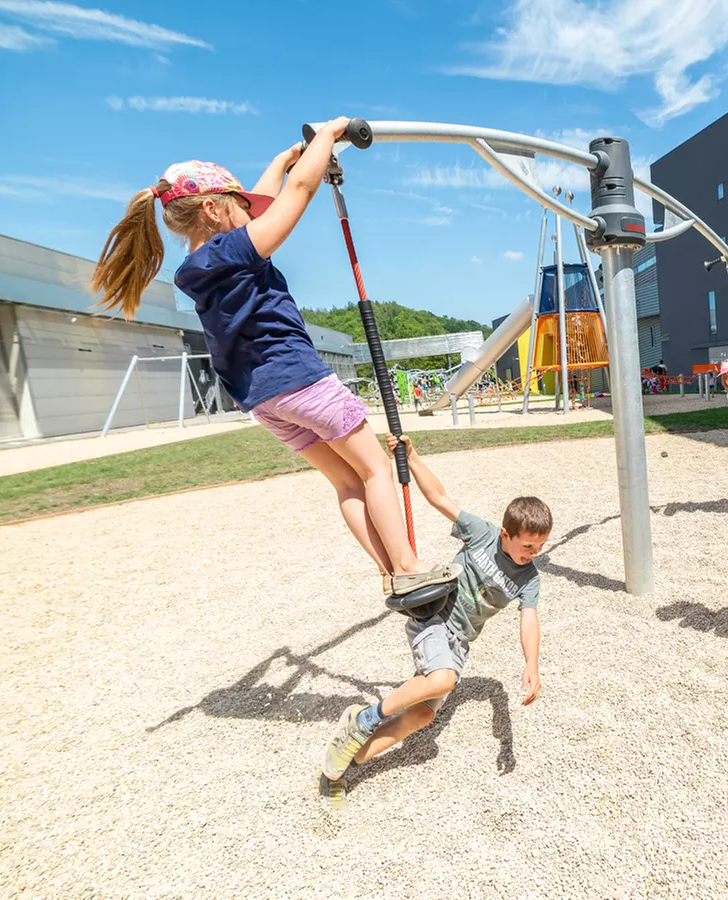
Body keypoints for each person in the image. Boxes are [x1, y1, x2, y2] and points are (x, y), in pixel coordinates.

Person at [90, 119, 457, 601]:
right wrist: (329, 135)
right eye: (237, 207)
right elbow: (298, 194)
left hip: (265, 402)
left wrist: (285, 158)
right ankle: (409, 564)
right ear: (211, 210)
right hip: (302, 381)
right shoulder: (235, 250)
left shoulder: (197, 266)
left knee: (346, 482)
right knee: (374, 470)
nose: (251, 212)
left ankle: (391, 574)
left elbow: (262, 200)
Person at [319, 433, 550, 805]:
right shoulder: (482, 534)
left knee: (422, 716)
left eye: (540, 547)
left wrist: (532, 665)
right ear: (506, 534)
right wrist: (411, 457)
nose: (532, 554)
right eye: (527, 546)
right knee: (441, 678)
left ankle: (349, 758)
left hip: (458, 642)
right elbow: (439, 498)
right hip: (434, 619)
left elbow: (529, 619)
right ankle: (364, 719)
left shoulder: (530, 578)